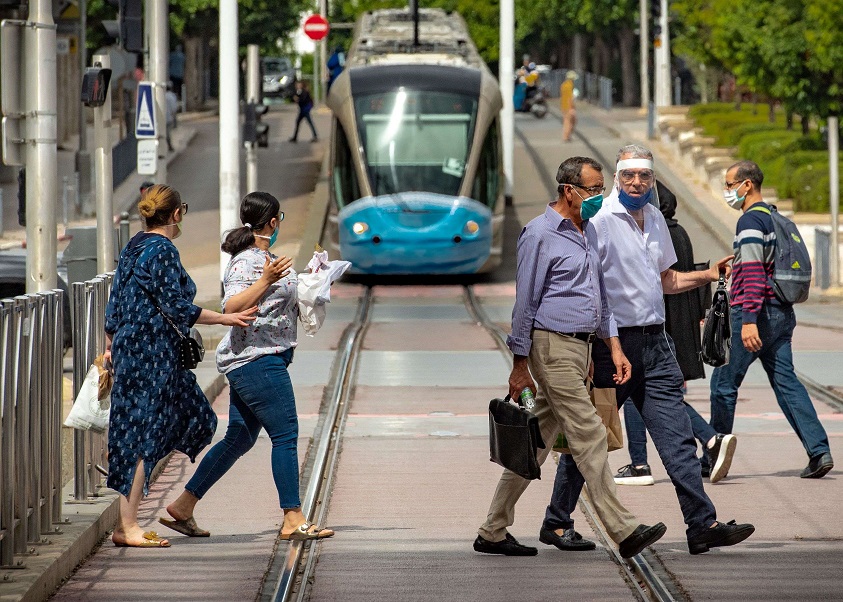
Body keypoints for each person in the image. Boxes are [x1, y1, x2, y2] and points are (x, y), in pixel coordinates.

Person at [547, 145, 756, 556]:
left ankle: (702, 524)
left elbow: (666, 280)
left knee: (677, 438)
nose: (637, 183)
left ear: (652, 179)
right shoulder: (599, 221)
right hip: (613, 347)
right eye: (628, 175)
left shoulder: (656, 217)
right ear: (617, 178)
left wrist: (708, 274)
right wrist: (603, 344)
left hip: (657, 344)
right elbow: (590, 288)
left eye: (644, 175)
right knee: (592, 437)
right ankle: (556, 521)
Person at [475, 156, 667, 559]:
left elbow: (601, 297)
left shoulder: (589, 230)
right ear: (568, 190)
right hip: (551, 346)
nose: (599, 196)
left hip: (582, 348)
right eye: (593, 189)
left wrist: (612, 348)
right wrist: (520, 365)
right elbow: (525, 303)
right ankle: (623, 529)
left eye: (600, 189)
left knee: (536, 443)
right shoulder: (539, 234)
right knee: (590, 433)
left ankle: (492, 530)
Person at [159, 191, 335, 541]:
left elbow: (277, 302)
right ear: (273, 222)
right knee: (285, 434)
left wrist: (313, 280)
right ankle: (292, 517)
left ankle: (184, 505)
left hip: (261, 357)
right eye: (279, 219)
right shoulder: (246, 262)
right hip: (257, 361)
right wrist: (267, 280)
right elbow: (231, 306)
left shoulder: (269, 259)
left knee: (239, 438)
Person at [103, 185, 258, 548]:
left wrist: (111, 343)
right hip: (151, 355)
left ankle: (170, 508)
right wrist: (225, 318)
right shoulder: (162, 249)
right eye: (182, 210)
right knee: (143, 434)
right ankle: (128, 526)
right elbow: (177, 306)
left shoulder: (135, 245)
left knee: (193, 417)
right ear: (175, 214)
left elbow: (115, 302)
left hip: (134, 350)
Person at [709, 160, 834, 479]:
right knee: (786, 382)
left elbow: (753, 273)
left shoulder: (750, 220)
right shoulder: (775, 217)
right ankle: (819, 451)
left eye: (730, 184)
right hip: (781, 313)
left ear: (747, 185)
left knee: (723, 384)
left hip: (755, 313)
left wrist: (749, 320)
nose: (727, 190)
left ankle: (713, 455)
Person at [616, 181, 737, 486]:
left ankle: (642, 463)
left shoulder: (655, 233)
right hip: (681, 328)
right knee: (660, 395)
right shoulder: (679, 232)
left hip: (658, 330)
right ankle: (708, 441)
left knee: (642, 393)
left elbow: (661, 284)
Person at [560, 71, 578, 142]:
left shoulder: (563, 85)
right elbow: (570, 97)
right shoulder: (570, 85)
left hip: (564, 105)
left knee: (567, 121)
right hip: (569, 106)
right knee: (571, 121)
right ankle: (566, 136)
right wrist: (572, 106)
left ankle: (567, 136)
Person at [165, 81, 178, 152]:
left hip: (160, 117)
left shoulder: (161, 94)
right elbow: (174, 108)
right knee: (168, 133)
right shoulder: (172, 96)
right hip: (168, 117)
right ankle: (169, 145)